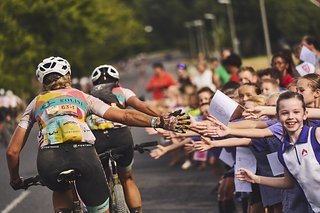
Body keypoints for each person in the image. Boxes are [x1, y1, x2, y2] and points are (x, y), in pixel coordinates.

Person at [6, 56, 189, 213]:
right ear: (68, 76)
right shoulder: (83, 97)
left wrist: (16, 180)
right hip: (83, 154)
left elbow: (12, 152)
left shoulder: (35, 103)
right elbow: (124, 115)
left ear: (43, 81)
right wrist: (160, 121)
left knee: (61, 190)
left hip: (49, 159)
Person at [88, 64, 163, 213]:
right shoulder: (122, 91)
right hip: (120, 137)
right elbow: (143, 107)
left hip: (97, 140)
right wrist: (164, 118)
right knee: (127, 179)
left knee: (101, 182)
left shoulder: (87, 95)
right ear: (116, 80)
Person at [236, 91, 320, 212]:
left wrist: (266, 109)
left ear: (305, 114)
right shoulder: (283, 150)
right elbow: (288, 182)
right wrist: (256, 178)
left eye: (296, 112)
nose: (291, 117)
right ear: (278, 117)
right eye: (285, 113)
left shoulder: (316, 134)